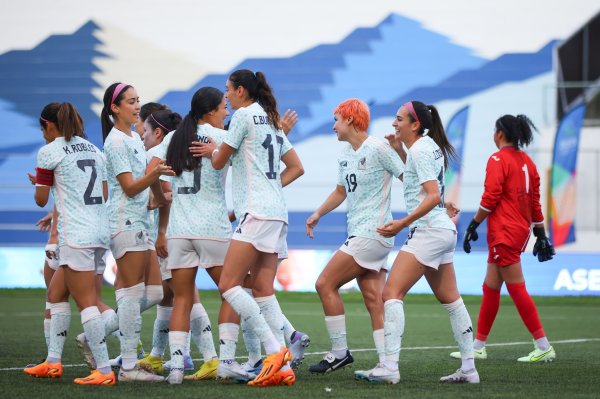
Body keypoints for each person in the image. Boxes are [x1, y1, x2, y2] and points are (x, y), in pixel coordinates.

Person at [194, 69, 304, 387]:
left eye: (228, 90)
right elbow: (297, 167)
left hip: (255, 213)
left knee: (229, 284)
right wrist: (270, 187)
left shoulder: (243, 116)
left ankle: (274, 352)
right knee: (262, 290)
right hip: (277, 213)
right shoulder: (271, 119)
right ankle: (281, 367)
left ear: (241, 91)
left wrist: (212, 152)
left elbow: (218, 162)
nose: (225, 95)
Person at [365, 101, 479, 384]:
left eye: (399, 119)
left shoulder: (420, 149)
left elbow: (429, 194)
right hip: (441, 230)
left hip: (428, 230)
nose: (394, 123)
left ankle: (390, 366)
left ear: (415, 125)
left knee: (390, 293)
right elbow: (424, 186)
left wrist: (403, 223)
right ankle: (469, 369)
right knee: (450, 300)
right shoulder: (425, 147)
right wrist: (400, 150)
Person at [305, 98, 404, 374]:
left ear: (349, 119)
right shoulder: (346, 153)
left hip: (371, 233)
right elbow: (340, 191)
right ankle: (387, 364)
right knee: (374, 299)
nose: (333, 125)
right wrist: (318, 214)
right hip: (366, 235)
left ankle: (339, 352)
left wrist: (416, 216)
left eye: (336, 119)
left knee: (324, 284)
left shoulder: (379, 148)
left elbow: (408, 177)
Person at [24, 102, 116, 385]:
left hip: (76, 234)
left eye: (43, 130)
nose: (43, 135)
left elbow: (40, 199)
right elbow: (103, 192)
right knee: (55, 294)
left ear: (49, 126)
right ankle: (52, 362)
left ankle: (104, 370)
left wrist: (43, 182)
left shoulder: (49, 151)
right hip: (99, 232)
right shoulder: (94, 149)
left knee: (87, 303)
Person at [453, 114, 556, 363]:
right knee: (490, 287)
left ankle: (543, 345)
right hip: (517, 232)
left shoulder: (498, 158)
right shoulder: (528, 163)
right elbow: (534, 203)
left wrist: (473, 224)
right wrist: (540, 233)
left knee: (516, 288)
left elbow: (491, 197)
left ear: (499, 133)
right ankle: (478, 346)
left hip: (504, 232)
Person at [101, 82, 174, 382]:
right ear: (114, 108)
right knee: (131, 294)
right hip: (123, 222)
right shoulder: (116, 142)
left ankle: (95, 331)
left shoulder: (132, 138)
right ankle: (129, 367)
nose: (136, 106)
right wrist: (154, 176)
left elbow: (145, 184)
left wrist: (158, 195)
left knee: (155, 292)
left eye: (137, 100)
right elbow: (130, 188)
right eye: (130, 102)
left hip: (140, 222)